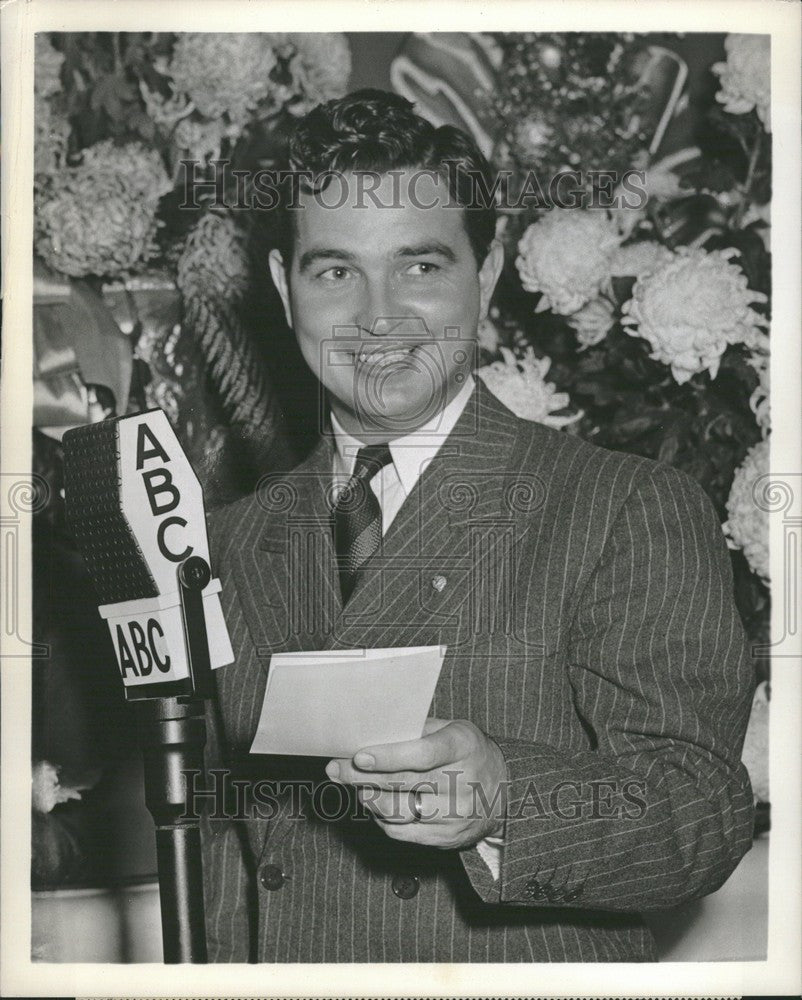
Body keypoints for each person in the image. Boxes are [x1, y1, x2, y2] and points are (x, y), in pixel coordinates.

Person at [199, 89, 755, 962]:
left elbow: (703, 809)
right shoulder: (229, 539)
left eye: (419, 268)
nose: (377, 317)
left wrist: (506, 801)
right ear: (283, 287)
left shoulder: (622, 506)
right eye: (335, 271)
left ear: (485, 277)